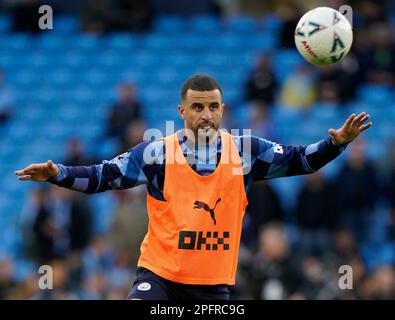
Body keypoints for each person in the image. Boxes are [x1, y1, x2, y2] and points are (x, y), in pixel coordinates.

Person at [15, 74, 373, 300]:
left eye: (213, 106)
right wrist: (57, 173)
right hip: (160, 278)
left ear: (222, 109)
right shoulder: (157, 153)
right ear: (182, 111)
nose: (207, 114)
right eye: (198, 107)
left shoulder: (245, 151)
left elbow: (300, 160)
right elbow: (102, 177)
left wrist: (337, 143)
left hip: (214, 284)